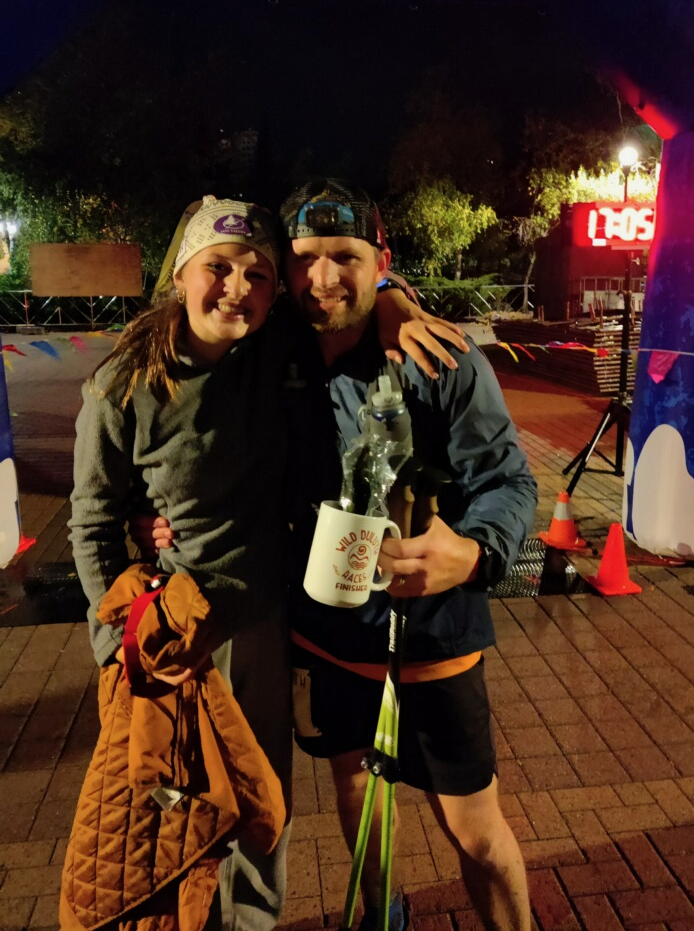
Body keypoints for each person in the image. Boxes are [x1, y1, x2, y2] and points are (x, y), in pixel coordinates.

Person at [70, 194, 467, 931]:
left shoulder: (271, 347)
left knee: (262, 806)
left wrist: (393, 302)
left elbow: (344, 296)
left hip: (261, 624)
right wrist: (115, 652)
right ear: (181, 274)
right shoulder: (123, 385)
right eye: (218, 268)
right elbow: (90, 521)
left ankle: (254, 923)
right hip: (171, 638)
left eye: (256, 274)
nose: (237, 289)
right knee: (174, 814)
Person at [278, 178, 537, 931]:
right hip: (324, 636)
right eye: (306, 257)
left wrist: (476, 552)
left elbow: (508, 481)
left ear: (381, 262)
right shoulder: (272, 352)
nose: (323, 278)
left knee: (475, 831)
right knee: (359, 795)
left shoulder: (439, 358)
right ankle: (383, 916)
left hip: (431, 640)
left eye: (346, 257)